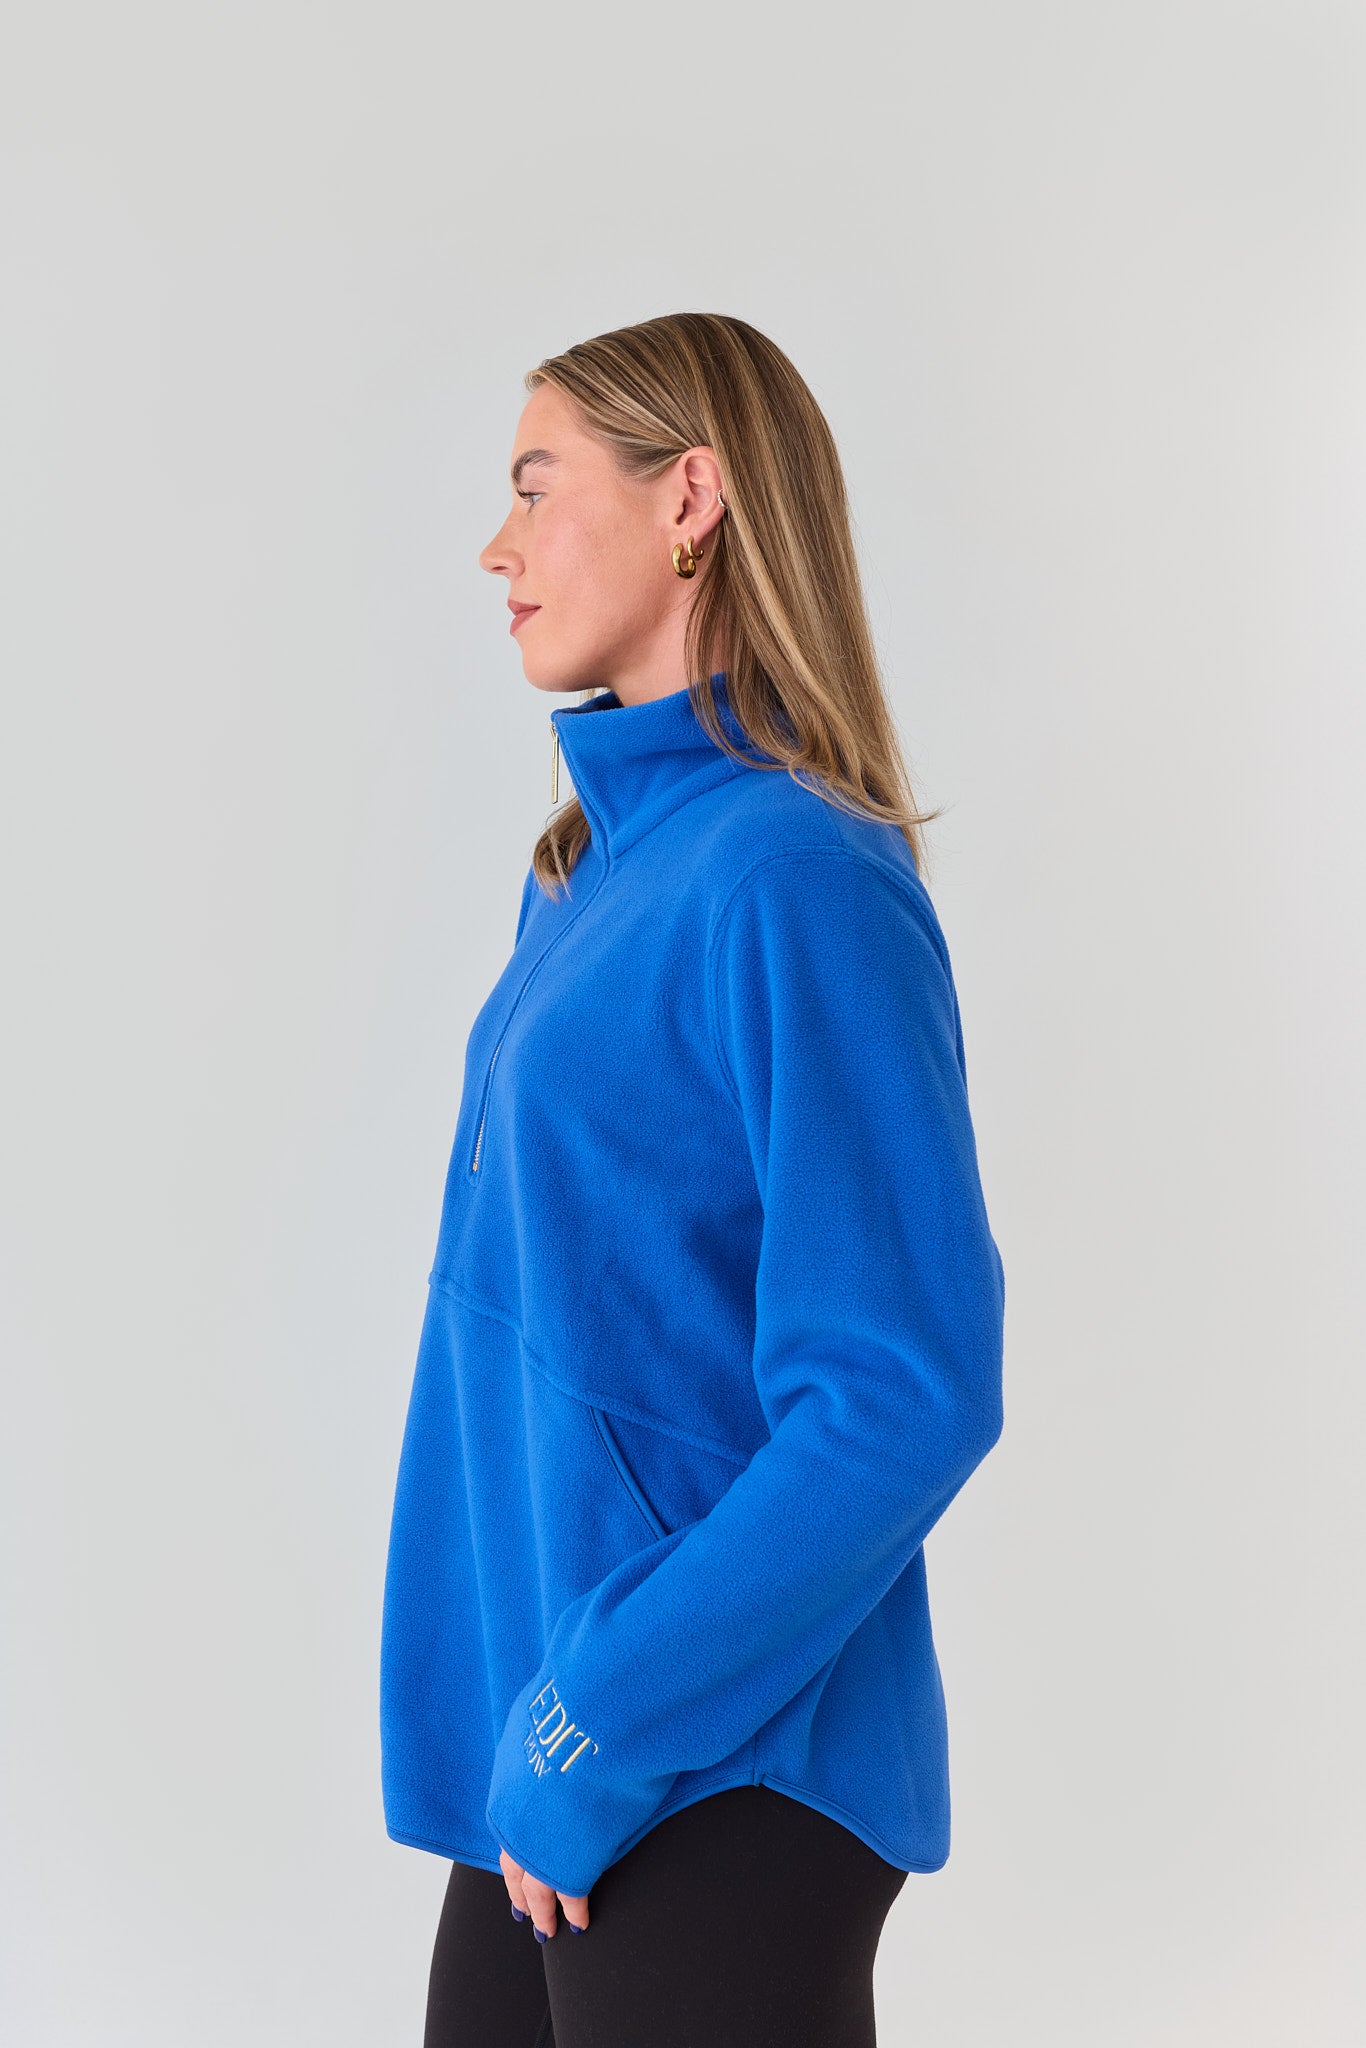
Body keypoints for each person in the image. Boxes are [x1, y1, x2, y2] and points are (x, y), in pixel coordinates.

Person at [379, 312, 1006, 2048]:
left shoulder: (795, 878)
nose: (496, 546)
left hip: (708, 1755)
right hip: (558, 1742)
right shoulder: (585, 875)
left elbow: (903, 1392)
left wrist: (601, 1710)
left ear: (689, 500)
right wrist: (544, 1724)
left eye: (535, 487)